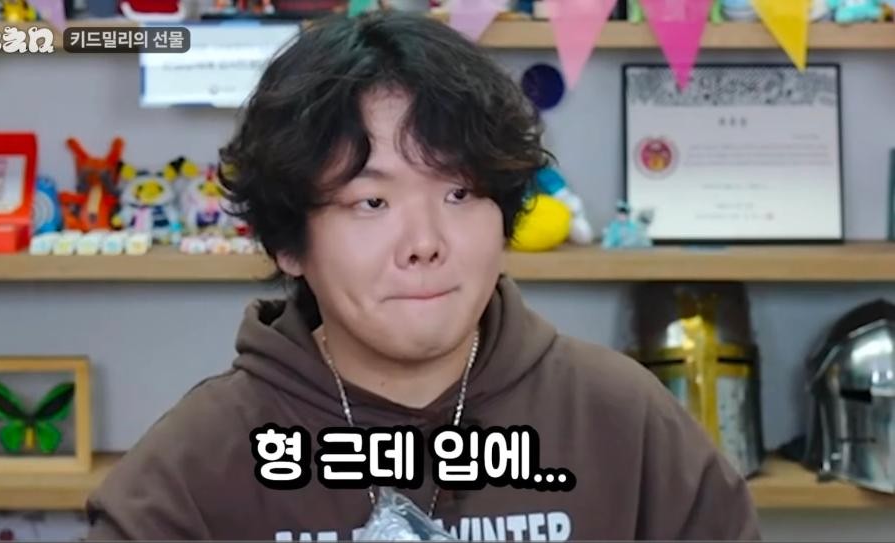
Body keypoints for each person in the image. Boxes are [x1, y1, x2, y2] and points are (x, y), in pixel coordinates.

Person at [84, 10, 760, 541]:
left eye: (459, 193)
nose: (425, 243)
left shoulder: (625, 422)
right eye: (371, 202)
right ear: (290, 242)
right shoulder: (199, 463)